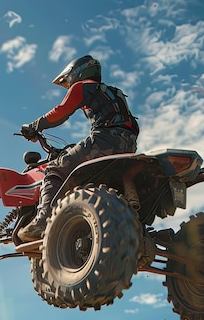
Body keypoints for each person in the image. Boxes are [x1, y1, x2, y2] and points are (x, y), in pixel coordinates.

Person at [18, 54, 140, 241]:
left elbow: (61, 111)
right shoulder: (114, 92)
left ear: (78, 72)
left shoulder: (82, 86)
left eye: (68, 80)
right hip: (129, 145)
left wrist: (34, 126)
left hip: (105, 140)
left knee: (54, 170)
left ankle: (42, 221)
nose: (69, 84)